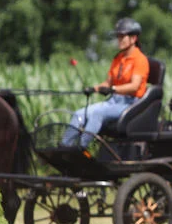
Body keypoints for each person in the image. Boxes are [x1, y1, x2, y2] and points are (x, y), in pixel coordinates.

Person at [62, 18, 150, 147]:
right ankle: (64, 146)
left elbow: (134, 86)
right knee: (79, 113)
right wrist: (94, 89)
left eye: (122, 36)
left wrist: (113, 89)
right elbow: (108, 83)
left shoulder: (140, 60)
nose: (118, 40)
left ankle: (81, 148)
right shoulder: (118, 58)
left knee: (97, 114)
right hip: (113, 101)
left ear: (134, 38)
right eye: (118, 37)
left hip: (130, 104)